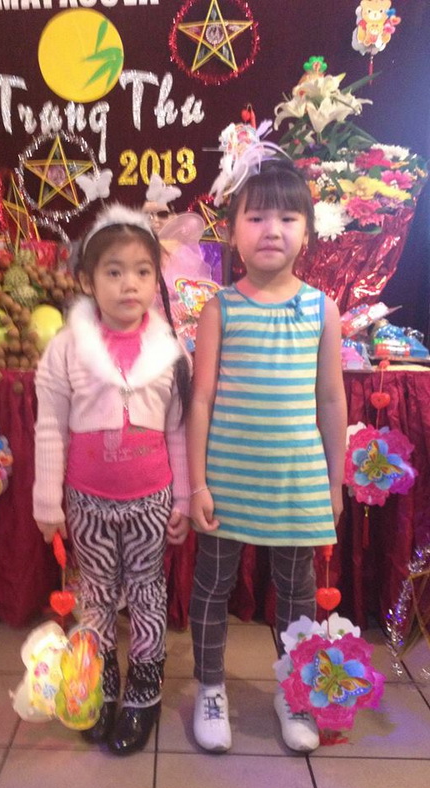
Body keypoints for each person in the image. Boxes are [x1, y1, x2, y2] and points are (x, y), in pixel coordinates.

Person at [187, 159, 347, 754]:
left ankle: (295, 692)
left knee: (297, 593)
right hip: (226, 481)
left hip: (296, 480)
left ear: (307, 232)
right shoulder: (219, 309)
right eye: (255, 217)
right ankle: (210, 689)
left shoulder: (321, 309)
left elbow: (331, 399)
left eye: (287, 217)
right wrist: (197, 483)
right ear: (233, 232)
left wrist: (335, 482)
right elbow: (200, 399)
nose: (271, 229)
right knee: (212, 587)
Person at [33, 203, 191, 755]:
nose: (130, 284)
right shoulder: (66, 347)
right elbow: (50, 425)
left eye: (143, 271)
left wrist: (183, 498)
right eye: (114, 271)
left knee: (146, 594)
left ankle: (145, 692)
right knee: (96, 595)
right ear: (87, 280)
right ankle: (98, 684)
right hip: (88, 501)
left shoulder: (169, 351)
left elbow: (178, 430)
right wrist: (47, 500)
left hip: (151, 500)